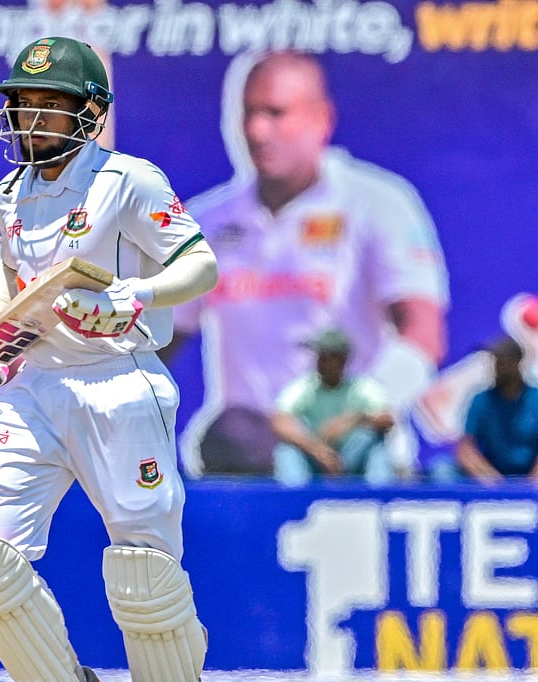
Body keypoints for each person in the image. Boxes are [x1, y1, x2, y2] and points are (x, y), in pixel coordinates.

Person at [0, 37, 218, 682]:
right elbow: (12, 280)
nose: (33, 116)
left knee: (143, 570)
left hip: (119, 381)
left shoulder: (127, 180)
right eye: (24, 104)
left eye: (51, 103)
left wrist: (132, 294)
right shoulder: (10, 192)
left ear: (89, 113)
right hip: (32, 389)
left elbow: (200, 262)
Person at [169, 50, 449, 477]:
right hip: (251, 458)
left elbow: (423, 333)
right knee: (227, 435)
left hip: (354, 456)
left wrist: (361, 411)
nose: (258, 130)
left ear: (321, 118)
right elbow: (158, 338)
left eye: (276, 113)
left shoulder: (378, 203)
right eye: (249, 113)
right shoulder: (207, 221)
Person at [270, 328, 396, 486]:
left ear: (343, 360)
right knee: (287, 450)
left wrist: (354, 419)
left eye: (328, 357)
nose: (321, 362)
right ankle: (292, 499)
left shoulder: (362, 387)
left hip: (351, 458)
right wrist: (316, 449)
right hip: (313, 459)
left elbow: (388, 420)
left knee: (374, 442)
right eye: (320, 356)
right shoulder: (304, 387)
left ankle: (380, 497)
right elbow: (279, 421)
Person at [452, 336, 538, 485]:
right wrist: (489, 478)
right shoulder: (481, 399)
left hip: (531, 473)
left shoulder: (535, 398)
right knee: (442, 470)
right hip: (492, 472)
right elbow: (465, 448)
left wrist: (531, 483)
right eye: (494, 361)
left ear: (517, 362)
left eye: (502, 361)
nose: (496, 367)